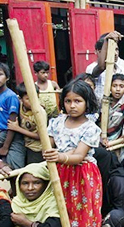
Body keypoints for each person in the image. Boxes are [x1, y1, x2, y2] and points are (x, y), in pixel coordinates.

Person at [43, 80, 102, 226]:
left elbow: (78, 156)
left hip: (82, 174)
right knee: (61, 211)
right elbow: (46, 147)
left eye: (78, 101)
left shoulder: (90, 128)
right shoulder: (56, 122)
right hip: (59, 173)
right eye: (68, 101)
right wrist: (54, 155)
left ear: (87, 102)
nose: (72, 105)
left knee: (82, 213)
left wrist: (60, 156)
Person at [0, 62, 26, 169]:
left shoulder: (10, 96)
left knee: (15, 169)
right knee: (3, 169)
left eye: (0, 74)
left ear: (7, 77)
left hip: (10, 138)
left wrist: (5, 147)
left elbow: (12, 124)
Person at [86, 32, 124, 105]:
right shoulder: (91, 68)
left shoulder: (122, 70)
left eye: (116, 49)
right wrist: (106, 41)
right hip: (100, 110)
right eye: (111, 50)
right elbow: (101, 67)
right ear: (101, 52)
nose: (115, 53)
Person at [10, 163, 61, 227]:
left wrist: (28, 223)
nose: (30, 188)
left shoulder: (54, 203)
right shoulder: (16, 203)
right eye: (25, 183)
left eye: (36, 183)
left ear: (46, 185)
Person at [7, 83, 43, 165]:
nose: (33, 102)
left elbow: (40, 136)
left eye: (35, 98)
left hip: (36, 149)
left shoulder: (40, 112)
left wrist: (17, 129)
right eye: (28, 99)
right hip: (25, 145)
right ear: (20, 99)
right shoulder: (20, 106)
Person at [106, 74, 124, 148]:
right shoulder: (105, 100)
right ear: (109, 87)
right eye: (114, 86)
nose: (118, 89)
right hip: (102, 136)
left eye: (121, 86)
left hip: (116, 137)